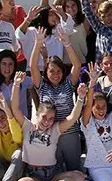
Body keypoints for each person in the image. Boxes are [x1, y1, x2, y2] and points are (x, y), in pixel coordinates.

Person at [11, 72, 87, 181]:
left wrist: (80, 98)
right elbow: (15, 108)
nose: (47, 122)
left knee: (79, 177)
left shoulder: (55, 129)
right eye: (44, 117)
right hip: (34, 174)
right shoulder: (27, 126)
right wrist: (16, 84)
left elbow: (72, 118)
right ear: (37, 114)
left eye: (51, 119)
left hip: (53, 174)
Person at [31, 26, 83, 172]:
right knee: (54, 171)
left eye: (59, 71)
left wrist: (67, 43)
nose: (55, 74)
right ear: (46, 72)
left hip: (70, 133)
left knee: (74, 170)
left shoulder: (68, 83)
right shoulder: (41, 86)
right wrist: (38, 44)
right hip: (49, 134)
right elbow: (33, 66)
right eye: (51, 71)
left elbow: (77, 65)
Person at [0, 49, 33, 119]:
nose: (7, 68)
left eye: (10, 64)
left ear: (15, 65)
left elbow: (39, 83)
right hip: (0, 125)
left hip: (21, 124)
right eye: (4, 64)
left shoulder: (22, 79)